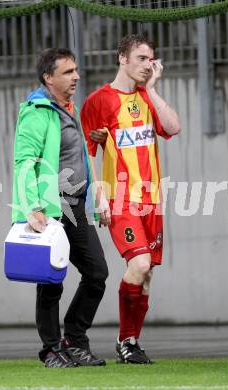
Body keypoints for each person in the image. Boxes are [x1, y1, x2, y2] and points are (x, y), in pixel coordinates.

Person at [81, 34, 180, 364]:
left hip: (152, 201)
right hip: (121, 199)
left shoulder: (147, 97)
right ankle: (126, 341)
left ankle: (130, 343)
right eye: (141, 58)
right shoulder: (99, 101)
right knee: (139, 263)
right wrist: (99, 195)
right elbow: (86, 152)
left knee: (147, 272)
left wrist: (152, 89)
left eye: (151, 59)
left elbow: (173, 127)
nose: (147, 64)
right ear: (122, 58)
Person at [11, 48, 109, 368]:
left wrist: (98, 196)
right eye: (68, 72)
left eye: (76, 70)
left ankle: (74, 340)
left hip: (76, 206)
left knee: (96, 273)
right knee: (51, 281)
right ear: (48, 77)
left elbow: (80, 159)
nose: (76, 77)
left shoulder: (71, 109)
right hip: (50, 210)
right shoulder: (36, 111)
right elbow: (24, 162)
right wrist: (31, 207)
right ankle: (52, 349)